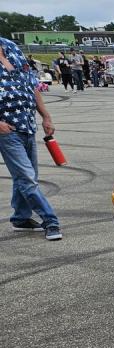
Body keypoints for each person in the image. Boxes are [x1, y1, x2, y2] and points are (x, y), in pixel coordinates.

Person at [0, 35, 62, 240]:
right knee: (26, 177)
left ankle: (20, 217)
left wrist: (46, 116)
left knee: (27, 176)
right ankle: (51, 221)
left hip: (27, 124)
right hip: (5, 130)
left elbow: (31, 85)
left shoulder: (11, 47)